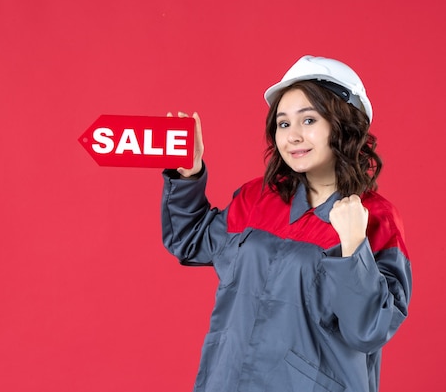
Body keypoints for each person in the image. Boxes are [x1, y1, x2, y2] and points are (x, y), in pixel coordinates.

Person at [161, 55, 412, 392]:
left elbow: (368, 330)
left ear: (345, 126)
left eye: (308, 120)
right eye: (283, 124)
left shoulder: (375, 218)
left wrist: (354, 250)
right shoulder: (259, 197)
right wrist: (188, 176)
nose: (292, 136)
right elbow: (190, 242)